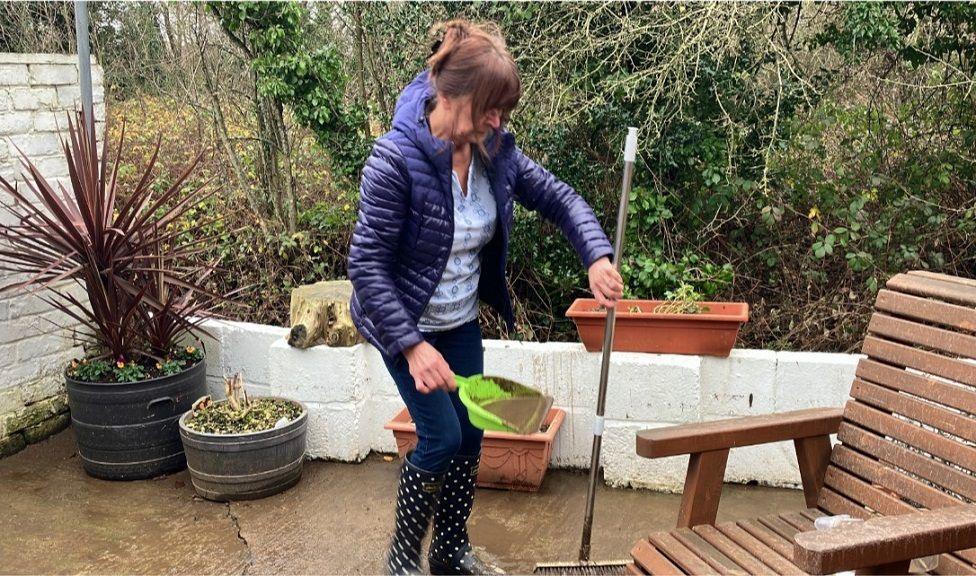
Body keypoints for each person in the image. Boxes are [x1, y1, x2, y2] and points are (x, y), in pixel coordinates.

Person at [348, 19, 624, 576]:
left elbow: (561, 199)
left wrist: (596, 255)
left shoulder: (494, 150)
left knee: (472, 433)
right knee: (440, 436)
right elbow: (366, 267)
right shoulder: (394, 160)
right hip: (402, 323)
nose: (499, 121)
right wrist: (411, 347)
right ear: (449, 97)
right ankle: (401, 561)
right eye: (489, 108)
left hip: (458, 321)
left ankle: (450, 554)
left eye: (505, 110)